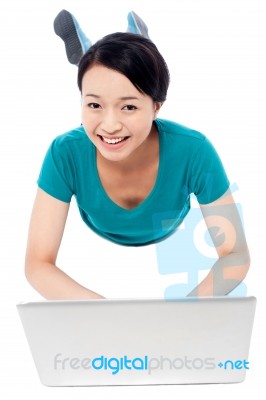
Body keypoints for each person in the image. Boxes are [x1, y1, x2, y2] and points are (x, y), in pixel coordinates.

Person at [25, 11, 250, 300]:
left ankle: (139, 43)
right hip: (100, 228)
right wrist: (103, 313)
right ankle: (105, 54)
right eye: (93, 105)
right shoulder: (65, 152)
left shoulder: (194, 149)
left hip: (166, 222)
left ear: (157, 107)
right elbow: (37, 264)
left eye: (129, 108)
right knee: (106, 73)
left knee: (130, 70)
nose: (109, 125)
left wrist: (188, 309)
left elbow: (236, 253)